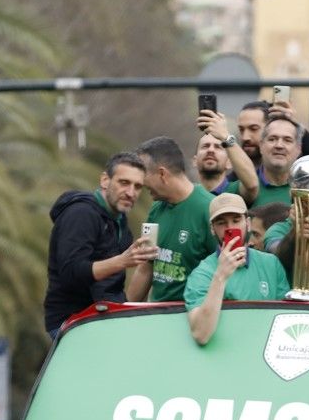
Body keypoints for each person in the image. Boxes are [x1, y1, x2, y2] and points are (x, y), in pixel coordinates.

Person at [42, 154, 151, 338]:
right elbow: (71, 272)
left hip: (105, 318)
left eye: (137, 186)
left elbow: (111, 285)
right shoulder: (81, 214)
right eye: (124, 182)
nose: (131, 192)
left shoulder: (120, 219)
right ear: (105, 180)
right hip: (74, 322)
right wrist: (122, 261)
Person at [185, 194, 298, 346]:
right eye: (221, 223)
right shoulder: (202, 273)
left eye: (236, 220)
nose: (230, 228)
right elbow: (201, 334)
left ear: (248, 223)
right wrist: (221, 275)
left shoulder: (271, 263)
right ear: (212, 229)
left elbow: (286, 320)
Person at [125, 136, 215, 304]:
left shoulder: (209, 209)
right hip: (158, 316)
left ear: (162, 174)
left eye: (143, 175)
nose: (140, 183)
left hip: (191, 316)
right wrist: (124, 312)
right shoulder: (156, 209)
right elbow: (146, 268)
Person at [192, 128, 233, 195]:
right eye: (205, 146)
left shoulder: (238, 192)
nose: (211, 150)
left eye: (217, 147)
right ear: (195, 160)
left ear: (229, 163)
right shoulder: (186, 197)